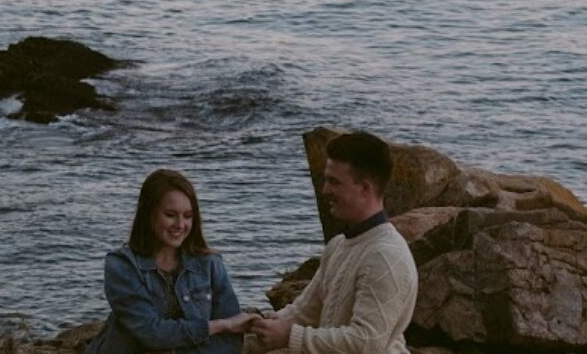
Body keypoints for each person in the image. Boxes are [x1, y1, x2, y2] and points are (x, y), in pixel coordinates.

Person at [249, 131, 418, 353]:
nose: (324, 190)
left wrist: (290, 337)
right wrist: (256, 326)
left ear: (365, 188)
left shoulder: (385, 255)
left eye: (334, 182)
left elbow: (366, 342)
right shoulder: (338, 245)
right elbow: (304, 312)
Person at [86, 169, 260, 354]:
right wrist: (220, 325)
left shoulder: (210, 264)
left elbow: (231, 339)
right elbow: (152, 332)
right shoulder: (122, 265)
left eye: (187, 216)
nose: (180, 224)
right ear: (148, 214)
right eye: (170, 215)